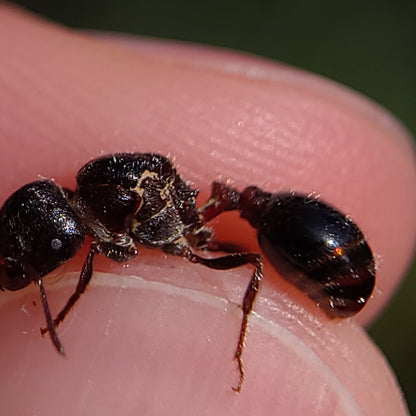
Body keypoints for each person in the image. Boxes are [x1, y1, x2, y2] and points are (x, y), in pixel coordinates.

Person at [0, 4, 414, 415]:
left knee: (250, 261)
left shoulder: (117, 209)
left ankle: (239, 348)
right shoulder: (100, 198)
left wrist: (67, 307)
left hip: (336, 270)